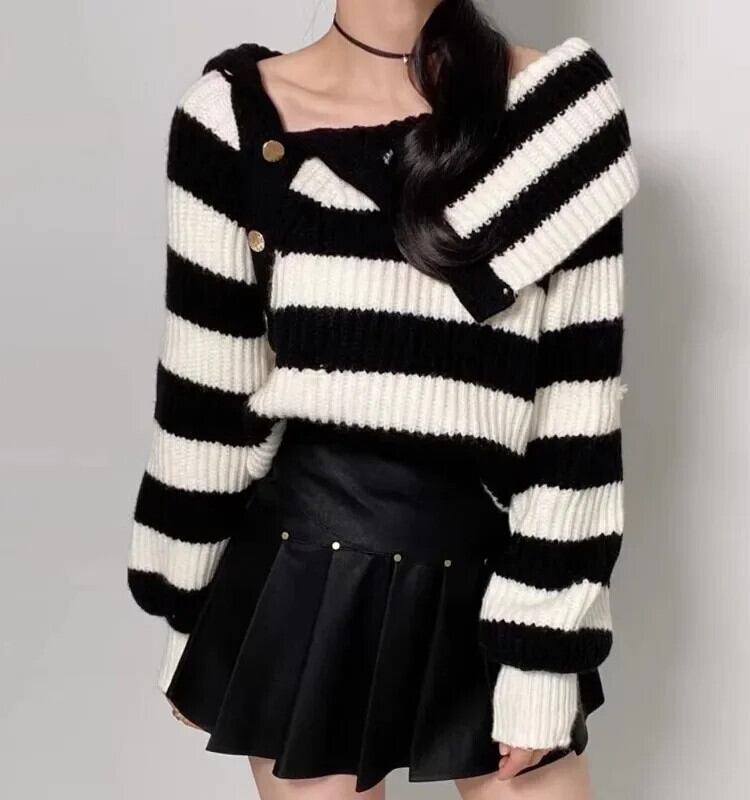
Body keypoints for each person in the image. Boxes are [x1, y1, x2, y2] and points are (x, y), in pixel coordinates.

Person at [125, 1, 640, 797]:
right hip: (298, 574)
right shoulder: (232, 118)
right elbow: (207, 398)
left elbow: (578, 418)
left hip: (487, 567)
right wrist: (192, 610)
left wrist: (541, 659)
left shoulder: (555, 115)